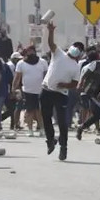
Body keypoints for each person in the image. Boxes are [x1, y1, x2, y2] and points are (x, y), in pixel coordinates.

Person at [40, 21, 81, 161]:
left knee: (62, 122)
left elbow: (75, 83)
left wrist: (65, 84)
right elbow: (51, 44)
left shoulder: (76, 67)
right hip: (46, 90)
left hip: (61, 94)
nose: (75, 50)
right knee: (46, 118)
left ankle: (63, 147)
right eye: (75, 47)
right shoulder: (59, 54)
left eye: (78, 49)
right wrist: (51, 31)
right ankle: (50, 140)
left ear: (79, 54)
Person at [13, 45, 48, 137]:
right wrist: (13, 89)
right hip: (27, 91)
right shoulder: (21, 63)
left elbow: (46, 76)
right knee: (29, 111)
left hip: (41, 90)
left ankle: (42, 129)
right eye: (28, 51)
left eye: (31, 50)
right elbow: (17, 78)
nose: (30, 53)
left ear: (34, 51)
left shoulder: (43, 62)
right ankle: (30, 130)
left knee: (39, 111)